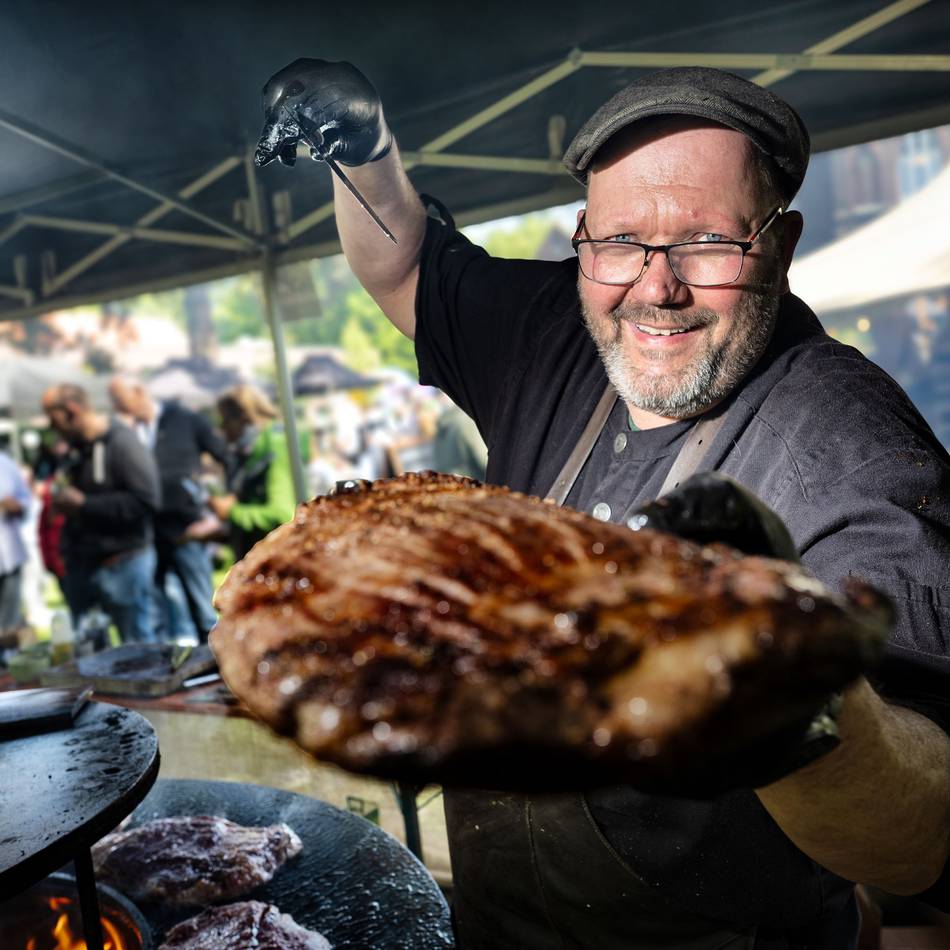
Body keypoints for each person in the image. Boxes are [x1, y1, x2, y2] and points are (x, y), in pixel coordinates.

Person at [255, 61, 950, 947]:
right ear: (585, 238)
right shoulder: (557, 329)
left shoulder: (849, 442)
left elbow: (928, 831)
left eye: (708, 242)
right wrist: (366, 150)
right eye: (620, 241)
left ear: (779, 245)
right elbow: (407, 270)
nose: (656, 289)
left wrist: (793, 701)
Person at [109, 377, 230, 644]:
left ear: (138, 392)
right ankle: (164, 663)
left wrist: (223, 500)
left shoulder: (183, 419)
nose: (115, 406)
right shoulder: (123, 433)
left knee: (203, 609)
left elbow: (225, 454)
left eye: (118, 399)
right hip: (146, 532)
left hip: (185, 527)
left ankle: (217, 660)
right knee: (153, 614)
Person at [41, 383, 160, 644]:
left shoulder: (123, 443)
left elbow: (147, 502)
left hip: (123, 564)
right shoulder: (75, 449)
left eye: (53, 418)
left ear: (72, 410)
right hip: (83, 567)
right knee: (88, 652)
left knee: (139, 652)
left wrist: (85, 504)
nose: (52, 426)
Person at [194, 385, 295, 560]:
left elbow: (284, 514)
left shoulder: (274, 449)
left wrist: (232, 512)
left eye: (225, 421)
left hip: (276, 560)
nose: (222, 429)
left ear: (243, 418)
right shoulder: (253, 451)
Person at [0, 449, 32, 638]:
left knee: (11, 627)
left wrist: (17, 506)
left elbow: (26, 500)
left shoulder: (4, 462)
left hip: (10, 554)